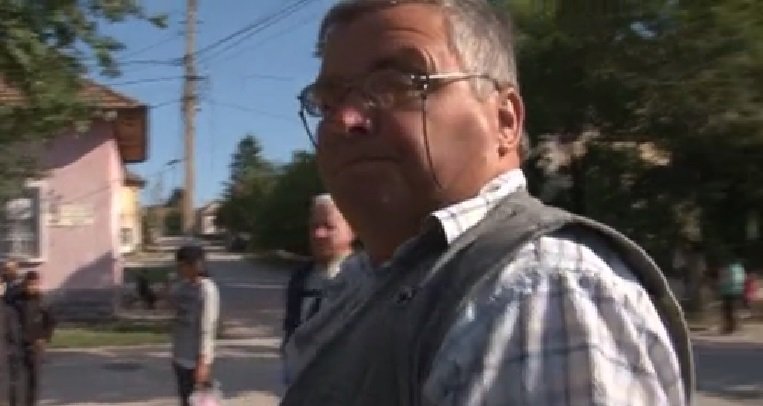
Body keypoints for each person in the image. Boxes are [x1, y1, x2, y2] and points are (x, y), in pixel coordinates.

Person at [283, 1, 693, 405]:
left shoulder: (536, 290)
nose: (345, 119)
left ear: (504, 120)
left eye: (397, 85)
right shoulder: (361, 283)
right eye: (328, 101)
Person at [281, 194, 357, 384]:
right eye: (314, 226)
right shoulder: (301, 277)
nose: (318, 234)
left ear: (353, 230)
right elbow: (291, 327)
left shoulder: (367, 278)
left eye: (328, 227)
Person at [170, 245, 220, 406]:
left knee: (199, 402)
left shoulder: (207, 290)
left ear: (195, 265)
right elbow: (168, 302)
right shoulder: (182, 286)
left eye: (182, 265)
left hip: (195, 360)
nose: (180, 269)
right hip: (180, 356)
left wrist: (203, 362)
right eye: (178, 265)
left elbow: (207, 329)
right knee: (186, 400)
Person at [6, 271, 55, 406]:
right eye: (29, 284)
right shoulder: (16, 301)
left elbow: (51, 322)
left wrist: (44, 338)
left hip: (36, 345)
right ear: (24, 284)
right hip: (18, 345)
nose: (31, 287)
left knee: (34, 379)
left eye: (34, 284)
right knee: (16, 379)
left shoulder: (44, 302)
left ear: (38, 284)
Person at [719, 257, 746, 333]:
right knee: (735, 309)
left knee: (727, 311)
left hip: (727, 292)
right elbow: (743, 279)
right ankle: (736, 326)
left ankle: (729, 327)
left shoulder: (726, 270)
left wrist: (720, 287)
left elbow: (723, 281)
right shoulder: (740, 269)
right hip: (738, 291)